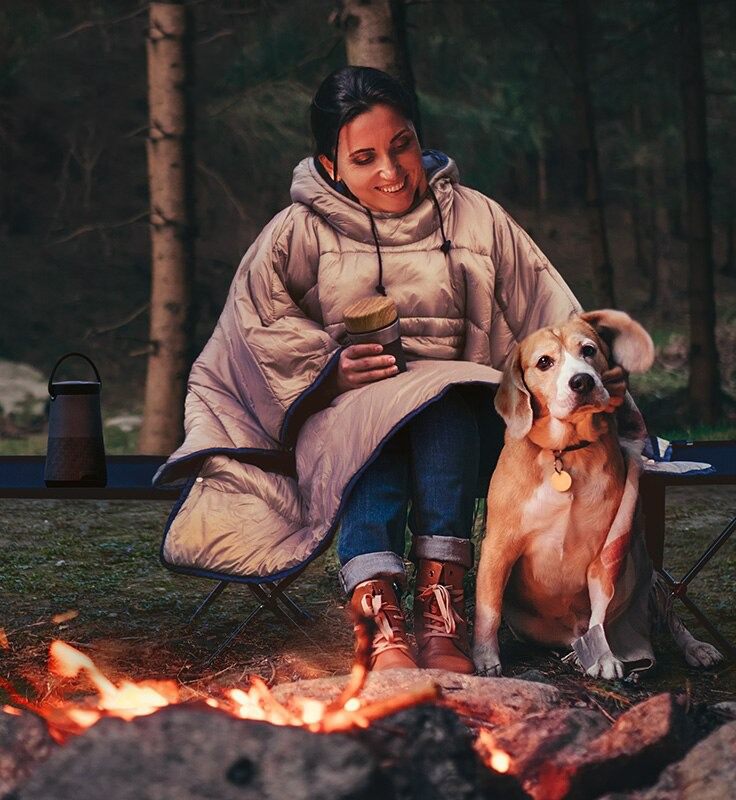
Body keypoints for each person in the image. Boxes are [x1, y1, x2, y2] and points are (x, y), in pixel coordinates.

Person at [154, 66, 628, 675]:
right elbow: (252, 333)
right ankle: (377, 617)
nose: (391, 170)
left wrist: (594, 371)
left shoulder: (477, 220)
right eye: (365, 157)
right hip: (349, 431)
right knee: (372, 425)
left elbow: (550, 314)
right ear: (331, 167)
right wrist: (329, 374)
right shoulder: (295, 233)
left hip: (463, 428)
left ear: (417, 137)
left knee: (448, 404)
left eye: (402, 145)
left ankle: (442, 609)